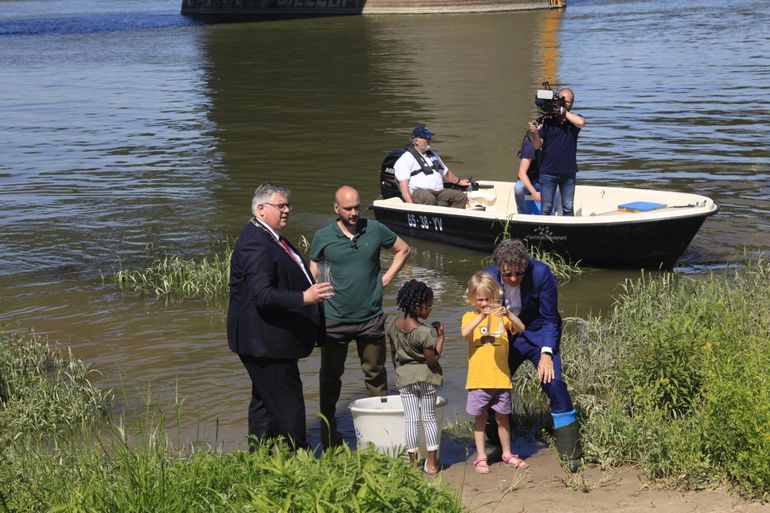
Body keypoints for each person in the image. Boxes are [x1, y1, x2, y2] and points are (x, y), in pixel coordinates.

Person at [227, 183, 331, 451]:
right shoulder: (256, 244)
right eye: (280, 206)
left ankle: (258, 459)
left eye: (288, 205)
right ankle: (300, 460)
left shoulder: (268, 235)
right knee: (289, 404)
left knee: (264, 402)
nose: (287, 210)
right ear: (261, 209)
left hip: (266, 340)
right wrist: (304, 297)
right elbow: (262, 295)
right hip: (265, 343)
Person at [309, 185, 411, 449]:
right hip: (334, 318)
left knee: (375, 375)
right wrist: (321, 287)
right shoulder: (323, 236)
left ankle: (381, 437)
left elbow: (403, 249)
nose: (354, 213)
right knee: (330, 378)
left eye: (357, 207)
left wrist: (386, 277)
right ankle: (328, 436)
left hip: (370, 317)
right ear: (336, 209)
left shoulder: (374, 229)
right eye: (348, 208)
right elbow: (314, 264)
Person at [482, 238, 583, 472]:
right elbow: (478, 316)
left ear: (526, 266)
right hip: (505, 337)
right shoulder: (487, 278)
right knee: (490, 385)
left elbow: (550, 318)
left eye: (519, 273)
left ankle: (571, 452)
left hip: (538, 335)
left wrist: (547, 353)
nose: (514, 278)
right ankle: (496, 441)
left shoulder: (541, 273)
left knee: (554, 381)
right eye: (508, 275)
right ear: (498, 268)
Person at [461, 272, 528, 474]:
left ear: (496, 298)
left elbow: (521, 328)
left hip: (501, 378)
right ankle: (481, 457)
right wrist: (481, 315)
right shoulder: (469, 317)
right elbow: (465, 333)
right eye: (480, 299)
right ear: (472, 299)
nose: (484, 303)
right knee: (480, 418)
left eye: (488, 299)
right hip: (479, 379)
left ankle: (507, 453)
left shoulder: (502, 318)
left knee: (503, 418)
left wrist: (508, 314)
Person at [386, 279, 444, 475]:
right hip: (426, 379)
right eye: (427, 307)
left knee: (410, 419)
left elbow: (393, 352)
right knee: (428, 418)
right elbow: (432, 360)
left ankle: (413, 465)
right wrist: (441, 338)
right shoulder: (424, 332)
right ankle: (432, 464)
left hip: (405, 379)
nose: (429, 311)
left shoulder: (393, 325)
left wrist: (398, 372)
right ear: (415, 306)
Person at [528, 88, 586, 216]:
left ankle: (567, 235)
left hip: (568, 172)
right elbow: (537, 146)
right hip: (548, 172)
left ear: (572, 104)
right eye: (561, 100)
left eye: (568, 102)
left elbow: (582, 123)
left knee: (568, 207)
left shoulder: (574, 121)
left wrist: (563, 112)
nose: (564, 103)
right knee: (546, 208)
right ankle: (544, 235)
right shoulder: (545, 120)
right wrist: (535, 133)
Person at [394, 124, 472, 208]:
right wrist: (410, 205)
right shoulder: (406, 158)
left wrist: (459, 181)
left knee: (460, 197)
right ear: (416, 141)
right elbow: (403, 184)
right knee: (429, 199)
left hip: (439, 191)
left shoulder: (433, 154)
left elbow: (445, 173)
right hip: (419, 192)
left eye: (429, 138)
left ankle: (453, 219)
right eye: (426, 138)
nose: (429, 140)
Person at [513, 136, 560, 214]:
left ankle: (552, 213)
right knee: (518, 188)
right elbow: (521, 173)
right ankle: (521, 213)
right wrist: (534, 193)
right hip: (530, 181)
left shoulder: (553, 144)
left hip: (545, 181)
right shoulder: (528, 146)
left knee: (557, 189)